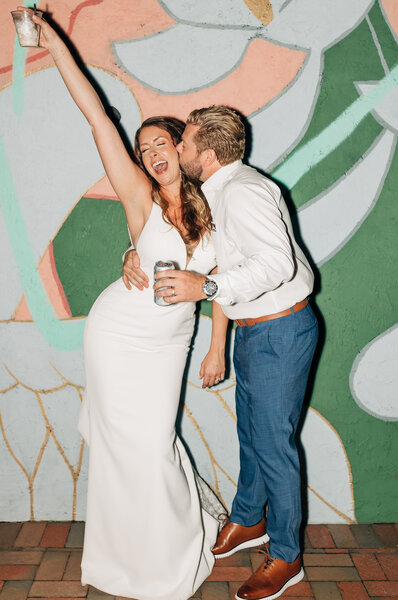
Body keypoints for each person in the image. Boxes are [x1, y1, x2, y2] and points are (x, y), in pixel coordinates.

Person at [31, 12, 229, 600]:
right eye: (142, 149)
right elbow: (97, 119)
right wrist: (57, 45)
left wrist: (218, 344)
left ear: (181, 147)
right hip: (117, 332)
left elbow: (228, 280)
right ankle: (125, 559)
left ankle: (169, 546)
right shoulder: (140, 199)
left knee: (151, 444)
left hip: (169, 342)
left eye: (159, 144)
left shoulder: (220, 203)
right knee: (124, 449)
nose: (149, 154)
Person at [125, 105, 319, 600]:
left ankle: (287, 556)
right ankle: (248, 520)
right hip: (257, 330)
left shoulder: (245, 192)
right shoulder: (218, 192)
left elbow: (276, 263)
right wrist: (136, 254)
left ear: (206, 155)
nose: (177, 148)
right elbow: (206, 252)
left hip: (280, 330)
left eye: (183, 143)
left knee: (274, 445)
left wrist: (206, 285)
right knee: (252, 434)